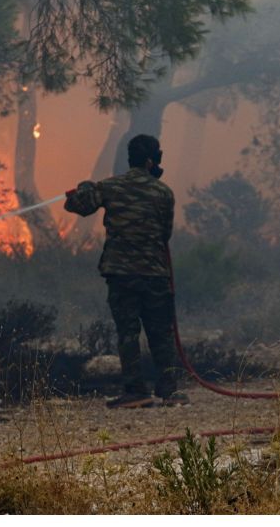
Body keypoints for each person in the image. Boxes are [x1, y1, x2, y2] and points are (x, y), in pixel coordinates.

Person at [64, 134, 189, 409]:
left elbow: (78, 206)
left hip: (121, 273)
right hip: (156, 272)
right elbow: (165, 234)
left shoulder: (110, 187)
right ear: (151, 160)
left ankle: (135, 390)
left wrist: (85, 187)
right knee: (161, 331)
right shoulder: (163, 192)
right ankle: (169, 390)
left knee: (128, 332)